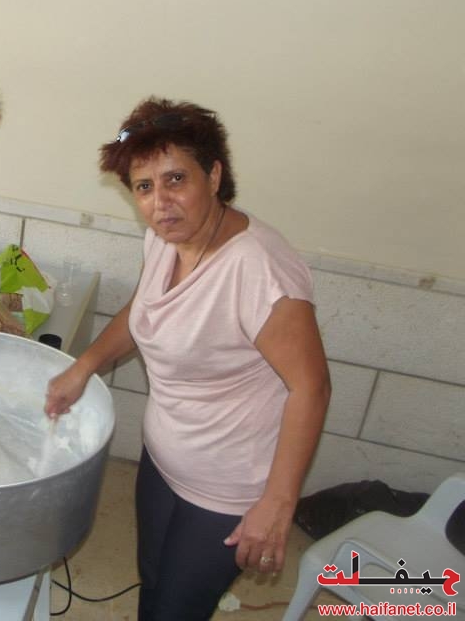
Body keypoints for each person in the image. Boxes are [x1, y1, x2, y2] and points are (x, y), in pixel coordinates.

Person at [45, 97, 330, 621]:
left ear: (214, 175)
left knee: (177, 610)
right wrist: (83, 367)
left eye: (176, 179)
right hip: (164, 456)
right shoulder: (166, 240)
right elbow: (144, 310)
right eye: (144, 187)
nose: (161, 203)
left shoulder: (260, 269)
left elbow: (311, 387)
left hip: (228, 487)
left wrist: (277, 502)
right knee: (153, 577)